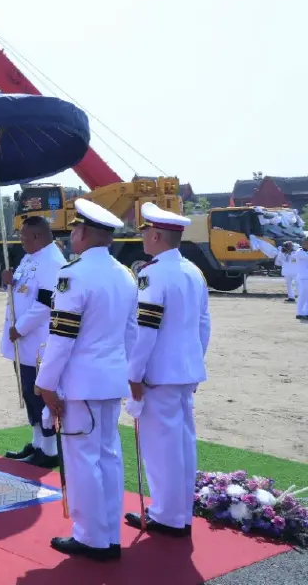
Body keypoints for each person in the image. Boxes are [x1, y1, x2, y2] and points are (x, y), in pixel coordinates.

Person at [36, 199, 135, 562]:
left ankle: (91, 537)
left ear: (85, 233)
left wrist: (46, 383)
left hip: (82, 384)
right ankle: (108, 534)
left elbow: (62, 338)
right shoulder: (124, 274)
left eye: (75, 229)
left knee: (83, 461)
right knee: (108, 456)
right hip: (111, 381)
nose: (72, 236)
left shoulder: (73, 275)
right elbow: (131, 334)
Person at [124, 202, 210, 538]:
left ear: (157, 236)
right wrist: (194, 361)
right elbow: (203, 324)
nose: (143, 237)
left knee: (162, 449)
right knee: (183, 444)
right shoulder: (193, 271)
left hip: (158, 374)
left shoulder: (152, 274)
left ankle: (167, 515)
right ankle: (180, 513)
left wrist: (134, 373)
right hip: (185, 370)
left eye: (146, 232)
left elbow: (145, 331)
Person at [0, 216, 64, 468]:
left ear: (37, 236)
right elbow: (22, 290)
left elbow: (47, 303)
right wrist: (9, 282)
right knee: (28, 393)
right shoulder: (30, 257)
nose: (21, 241)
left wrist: (20, 328)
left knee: (39, 395)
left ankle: (49, 450)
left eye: (24, 237)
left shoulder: (52, 261)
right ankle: (37, 443)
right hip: (23, 343)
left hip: (37, 341)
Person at [293, 239, 308, 320]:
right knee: (303, 295)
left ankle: (306, 312)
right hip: (303, 277)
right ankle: (299, 313)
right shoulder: (299, 252)